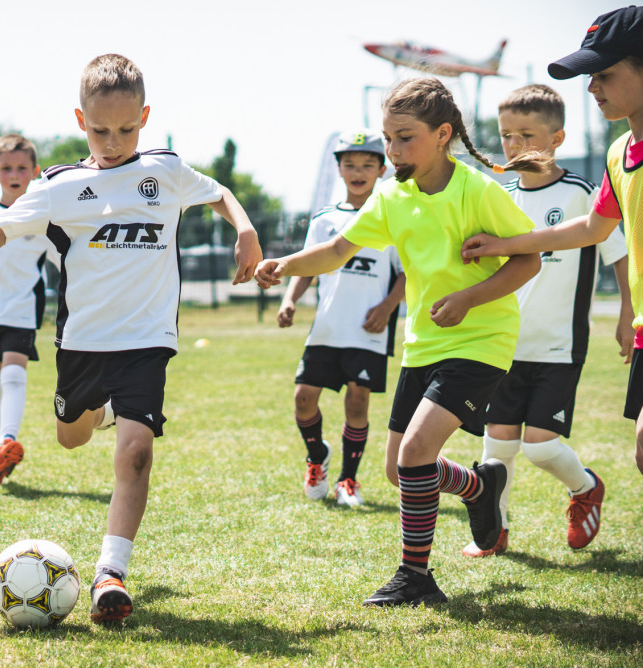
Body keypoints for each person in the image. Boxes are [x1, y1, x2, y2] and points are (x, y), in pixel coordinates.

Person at [0, 54, 263, 623]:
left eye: (126, 129)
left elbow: (218, 193)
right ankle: (102, 412)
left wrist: (247, 229)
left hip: (148, 339)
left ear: (145, 116)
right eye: (99, 130)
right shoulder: (60, 187)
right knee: (70, 438)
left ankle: (109, 574)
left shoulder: (164, 171)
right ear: (78, 119)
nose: (113, 142)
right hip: (83, 343)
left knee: (136, 454)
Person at [256, 77, 544, 607]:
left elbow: (528, 258)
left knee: (414, 454)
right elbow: (338, 248)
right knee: (398, 469)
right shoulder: (392, 194)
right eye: (388, 139)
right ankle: (481, 488)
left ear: (443, 134)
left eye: (403, 138)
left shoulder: (477, 189)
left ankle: (416, 578)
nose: (391, 151)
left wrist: (470, 299)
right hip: (423, 343)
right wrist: (285, 264)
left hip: (481, 339)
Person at [462, 6, 643, 479]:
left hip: (561, 348)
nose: (591, 87)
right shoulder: (618, 153)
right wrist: (502, 245)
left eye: (603, 74)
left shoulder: (578, 184)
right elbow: (589, 229)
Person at [462, 85, 633, 557]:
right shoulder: (499, 195)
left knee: (539, 447)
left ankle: (585, 488)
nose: (514, 146)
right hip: (502, 343)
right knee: (496, 449)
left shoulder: (581, 194)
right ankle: (493, 532)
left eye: (526, 136)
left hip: (558, 346)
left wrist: (626, 312)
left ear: (557, 138)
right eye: (506, 136)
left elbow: (618, 255)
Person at [277, 130, 406, 507]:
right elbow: (309, 265)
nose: (358, 171)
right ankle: (317, 457)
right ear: (339, 170)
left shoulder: (390, 218)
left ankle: (348, 480)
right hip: (328, 328)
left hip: (368, 330)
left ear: (382, 170)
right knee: (303, 398)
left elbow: (405, 273)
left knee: (357, 401)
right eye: (349, 164)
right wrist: (290, 299)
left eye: (367, 164)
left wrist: (386, 308)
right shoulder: (325, 219)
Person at [0, 134, 60, 486]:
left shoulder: (41, 219)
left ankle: (8, 440)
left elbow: (65, 260)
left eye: (22, 167)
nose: (14, 174)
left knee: (13, 372)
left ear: (34, 172)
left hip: (22, 309)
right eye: (6, 168)